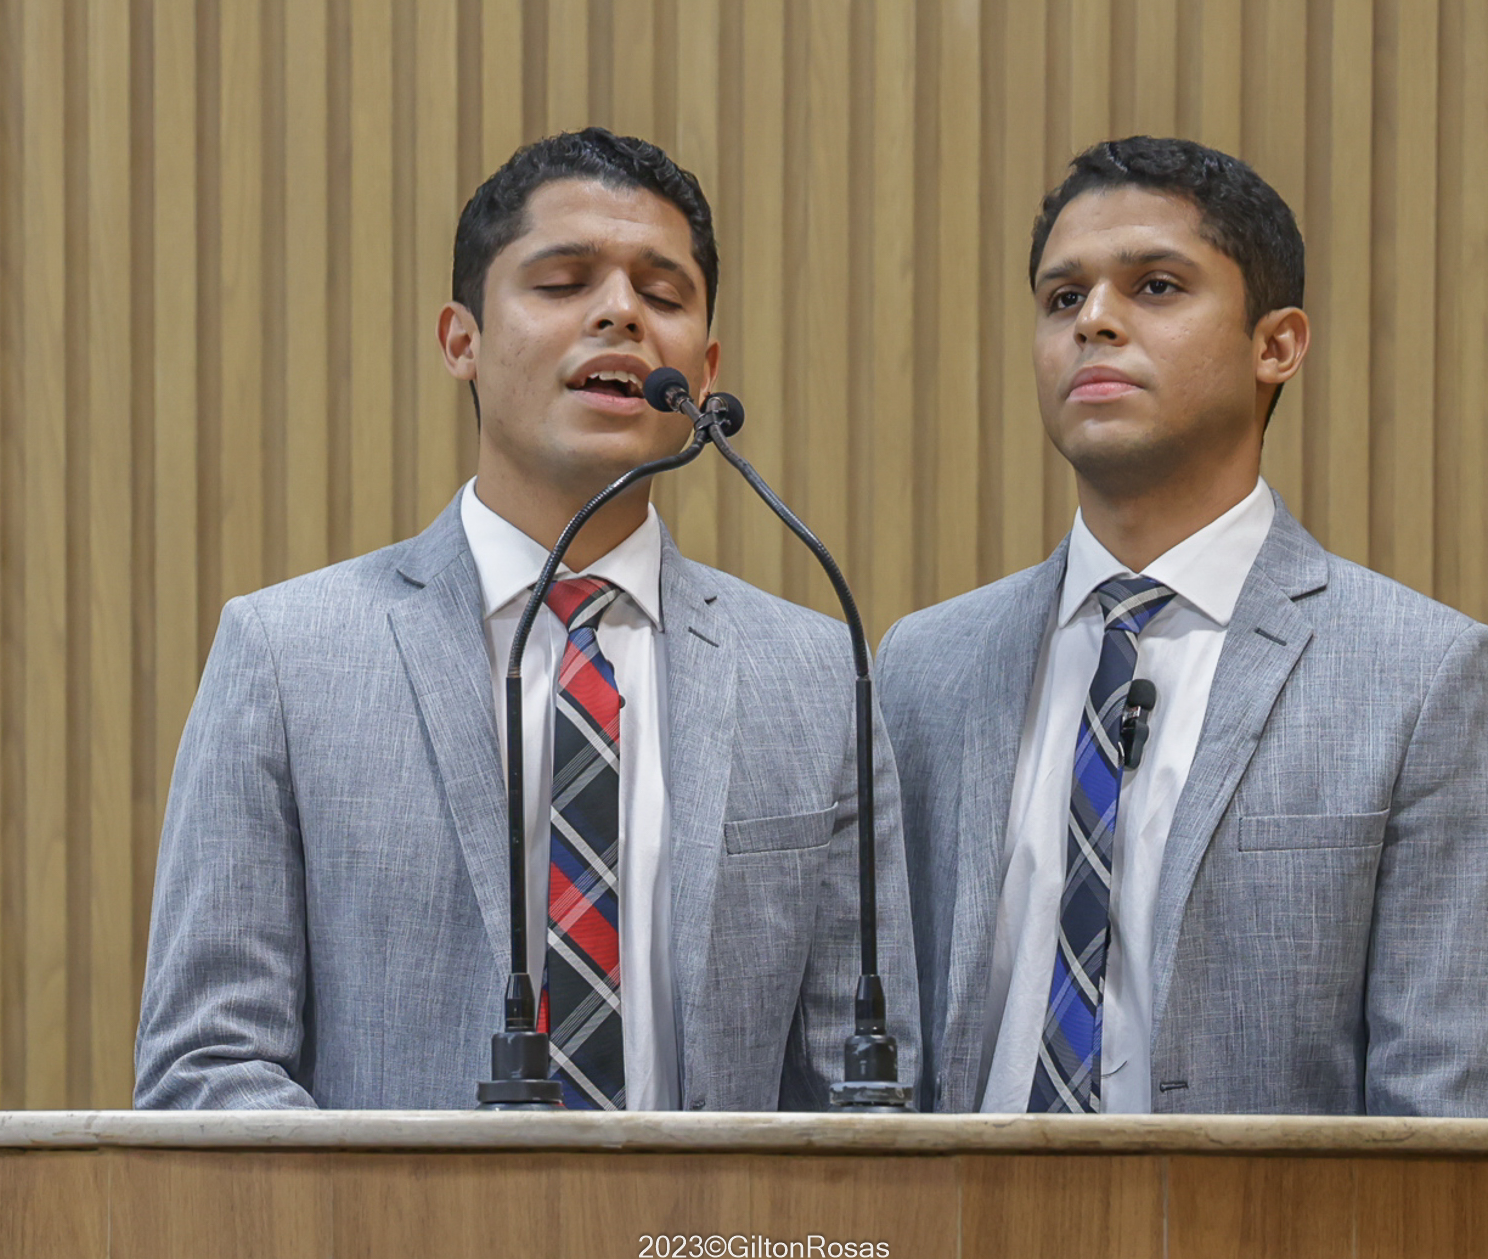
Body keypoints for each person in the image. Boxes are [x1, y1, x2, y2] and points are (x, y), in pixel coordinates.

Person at [136, 128, 917, 1111]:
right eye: (562, 282)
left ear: (705, 370)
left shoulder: (814, 673)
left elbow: (867, 1092)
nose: (620, 313)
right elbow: (208, 1066)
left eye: (662, 294)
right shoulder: (288, 658)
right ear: (459, 340)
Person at [879, 136, 1488, 1116]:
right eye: (1063, 298)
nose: (1094, 321)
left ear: (1277, 345)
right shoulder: (924, 665)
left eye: (1154, 286)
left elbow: (1446, 1106)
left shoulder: (1420, 674)